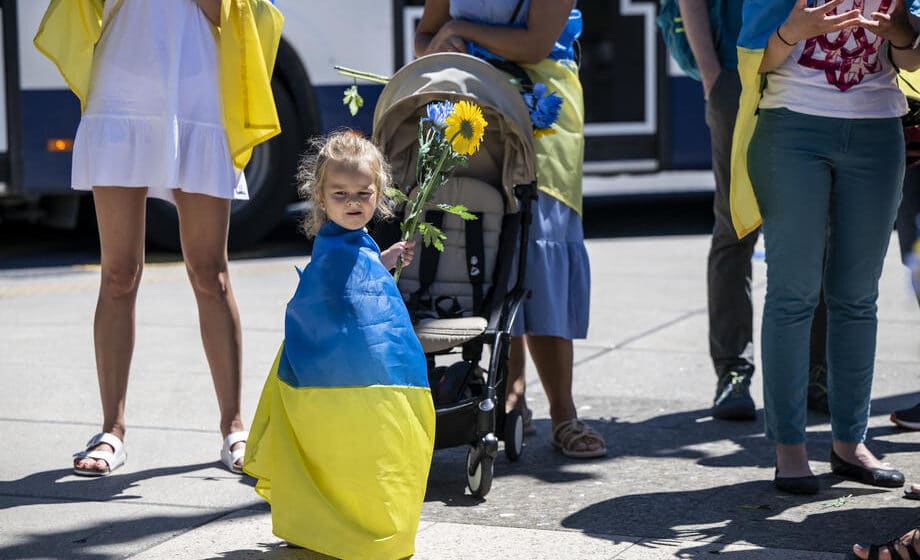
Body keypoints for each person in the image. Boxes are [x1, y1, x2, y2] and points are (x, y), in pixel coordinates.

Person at [33, 0, 283, 476]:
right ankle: (112, 430)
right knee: (119, 274)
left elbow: (221, 12)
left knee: (211, 272)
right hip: (121, 89)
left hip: (196, 89)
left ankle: (234, 427)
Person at [731, 0, 920, 494]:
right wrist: (794, 30)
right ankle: (789, 448)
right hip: (791, 129)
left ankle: (849, 443)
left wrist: (900, 29)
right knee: (793, 294)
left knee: (858, 297)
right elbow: (753, 61)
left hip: (878, 132)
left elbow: (912, 61)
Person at [415, 0, 606, 459]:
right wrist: (438, 45)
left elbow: (537, 44)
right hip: (471, 104)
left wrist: (460, 29)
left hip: (543, 107)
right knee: (494, 251)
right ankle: (508, 398)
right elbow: (425, 38)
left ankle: (564, 412)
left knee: (540, 259)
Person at [243, 131, 433, 559]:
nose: (353, 202)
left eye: (363, 194)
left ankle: (340, 521)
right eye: (340, 194)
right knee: (331, 443)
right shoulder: (331, 245)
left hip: (362, 370)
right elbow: (330, 292)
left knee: (351, 445)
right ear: (321, 198)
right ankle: (327, 522)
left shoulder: (356, 243)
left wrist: (383, 259)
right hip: (330, 370)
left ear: (379, 194)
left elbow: (358, 272)